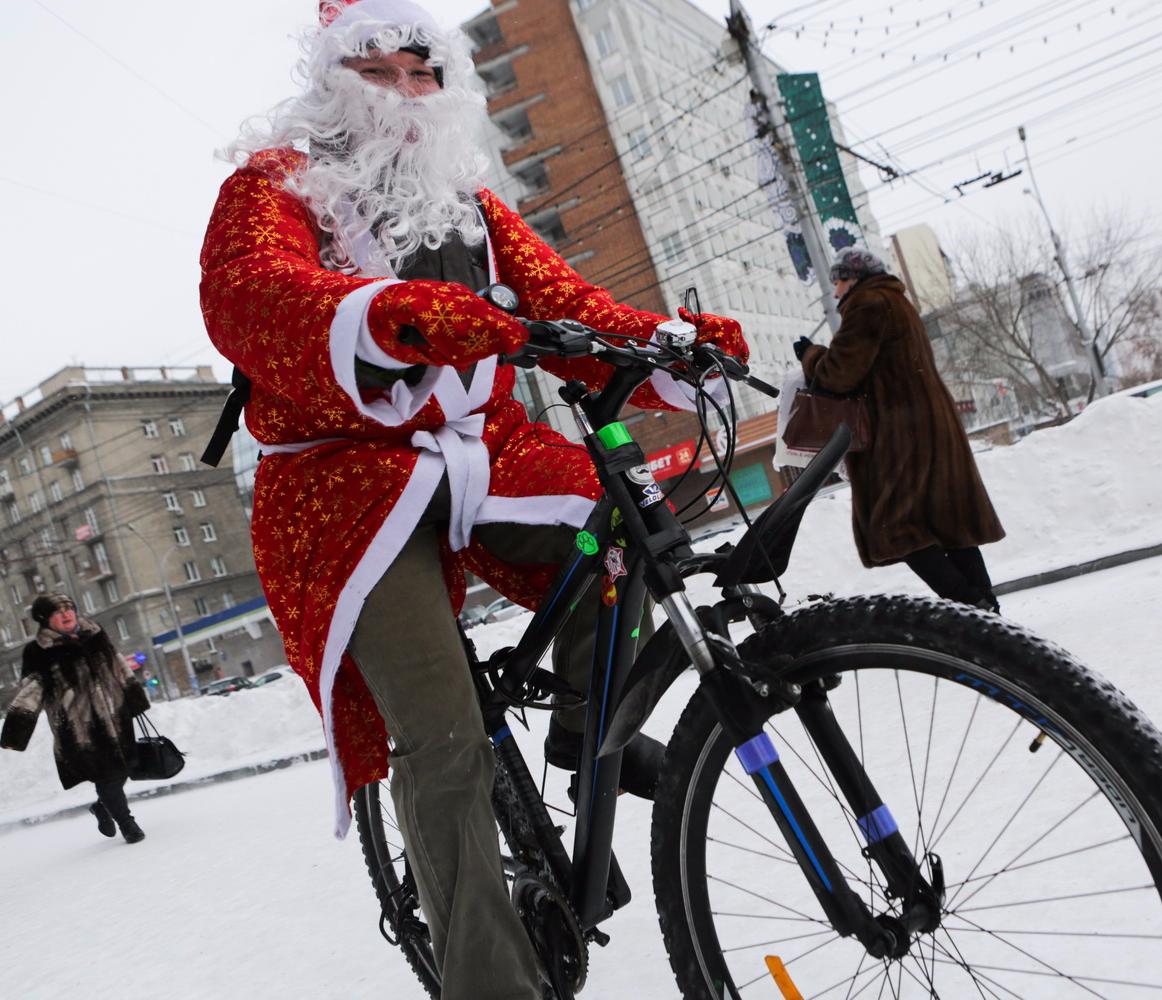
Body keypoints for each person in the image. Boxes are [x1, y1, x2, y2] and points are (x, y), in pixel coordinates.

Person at [199, 2, 748, 996]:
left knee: (619, 529)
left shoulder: (469, 205)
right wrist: (382, 311)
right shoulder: (276, 184)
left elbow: (569, 306)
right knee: (444, 733)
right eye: (380, 72)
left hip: (480, 446)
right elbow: (247, 292)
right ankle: (488, 981)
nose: (407, 93)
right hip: (343, 483)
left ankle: (588, 728)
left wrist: (672, 350)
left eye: (423, 72)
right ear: (332, 79)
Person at [793, 246, 1005, 611]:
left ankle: (972, 605)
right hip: (929, 427)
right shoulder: (897, 302)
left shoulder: (868, 305)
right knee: (946, 520)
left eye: (839, 280)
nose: (836, 290)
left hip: (899, 436)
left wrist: (810, 355)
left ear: (855, 278)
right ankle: (988, 611)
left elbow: (837, 375)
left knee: (895, 529)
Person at [0, 594, 150, 844]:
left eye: (69, 608)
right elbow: (31, 690)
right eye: (58, 612)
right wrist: (16, 731)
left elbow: (117, 664)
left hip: (115, 716)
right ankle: (128, 824)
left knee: (122, 769)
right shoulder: (38, 651)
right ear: (45, 620)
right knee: (106, 774)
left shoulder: (95, 634)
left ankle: (103, 807)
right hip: (79, 727)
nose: (66, 614)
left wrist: (134, 698)